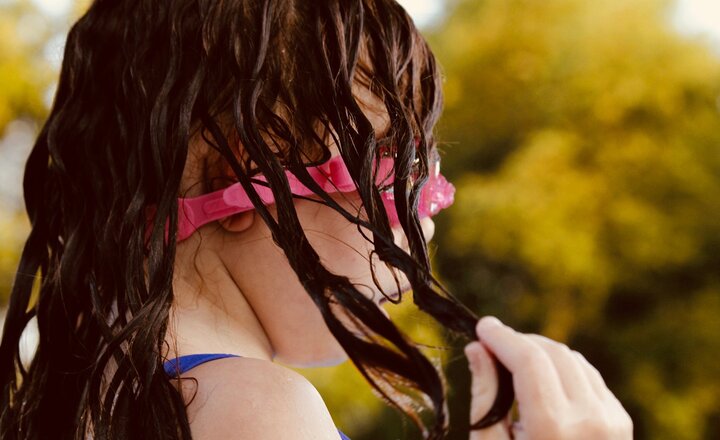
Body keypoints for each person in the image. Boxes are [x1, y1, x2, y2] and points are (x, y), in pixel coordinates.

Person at [0, 0, 632, 439]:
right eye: (402, 177)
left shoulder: (97, 392)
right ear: (246, 176)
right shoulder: (258, 408)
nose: (429, 223)